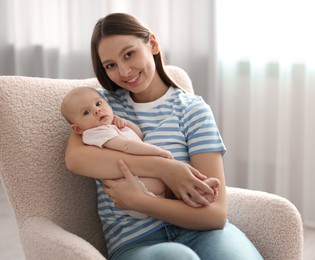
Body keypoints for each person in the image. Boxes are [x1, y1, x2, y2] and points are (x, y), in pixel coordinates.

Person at [64, 12, 263, 260]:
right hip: (135, 242)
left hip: (201, 232)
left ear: (153, 44)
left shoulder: (192, 110)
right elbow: (75, 159)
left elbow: (215, 215)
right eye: (111, 65)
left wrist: (141, 201)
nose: (125, 71)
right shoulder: (99, 106)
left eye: (129, 54)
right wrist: (165, 169)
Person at [61, 86, 220, 219]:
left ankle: (198, 192)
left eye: (98, 103)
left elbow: (139, 137)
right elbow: (127, 146)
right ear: (77, 129)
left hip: (142, 184)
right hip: (132, 185)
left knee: (172, 185)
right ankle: (197, 193)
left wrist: (127, 124)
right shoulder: (94, 133)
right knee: (162, 183)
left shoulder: (111, 127)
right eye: (86, 113)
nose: (96, 110)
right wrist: (160, 154)